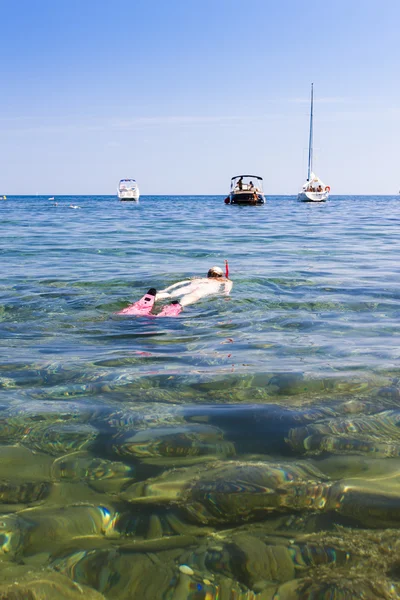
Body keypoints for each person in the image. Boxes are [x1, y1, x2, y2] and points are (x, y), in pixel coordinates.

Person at [117, 265, 233, 317]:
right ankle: (175, 306)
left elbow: (181, 283)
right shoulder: (226, 281)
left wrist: (165, 289)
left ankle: (156, 297)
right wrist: (226, 295)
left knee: (169, 294)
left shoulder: (199, 279)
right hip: (200, 291)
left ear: (208, 274)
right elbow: (226, 292)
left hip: (189, 286)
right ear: (220, 275)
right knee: (186, 300)